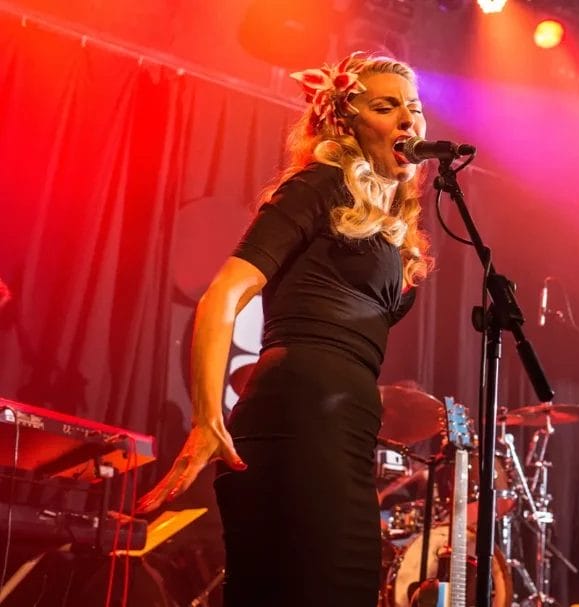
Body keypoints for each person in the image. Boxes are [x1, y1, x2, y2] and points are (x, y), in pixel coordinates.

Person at [138, 53, 433, 606]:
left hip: (346, 432)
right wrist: (207, 419)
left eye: (413, 108)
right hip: (297, 421)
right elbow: (223, 294)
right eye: (386, 106)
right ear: (346, 122)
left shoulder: (389, 225)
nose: (407, 120)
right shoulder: (316, 187)